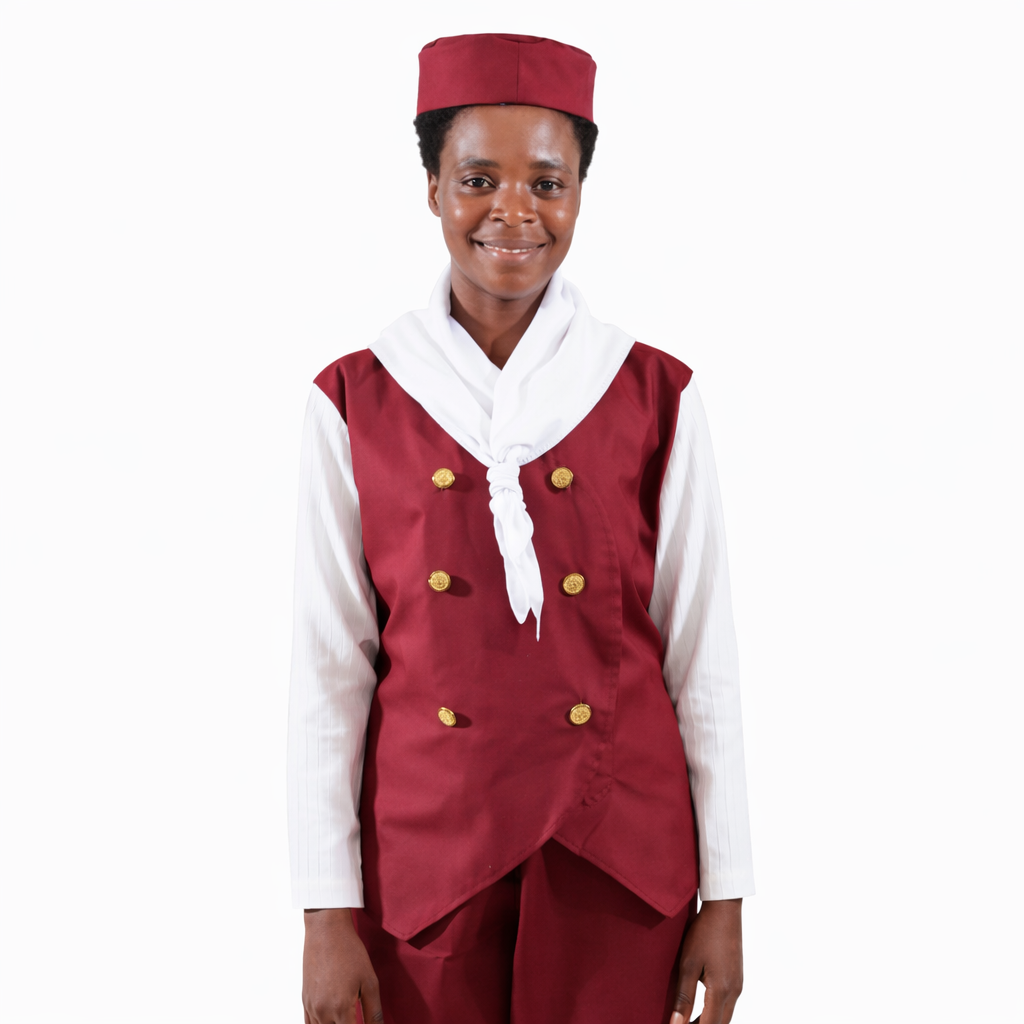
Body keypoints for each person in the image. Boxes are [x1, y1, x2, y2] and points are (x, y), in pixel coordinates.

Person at [288, 33, 754, 1024]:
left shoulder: (655, 392)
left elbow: (702, 657)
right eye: (477, 180)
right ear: (431, 188)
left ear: (581, 193)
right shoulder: (355, 399)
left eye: (547, 182)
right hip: (428, 876)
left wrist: (728, 892)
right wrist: (325, 909)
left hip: (618, 871)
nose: (514, 210)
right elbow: (329, 671)